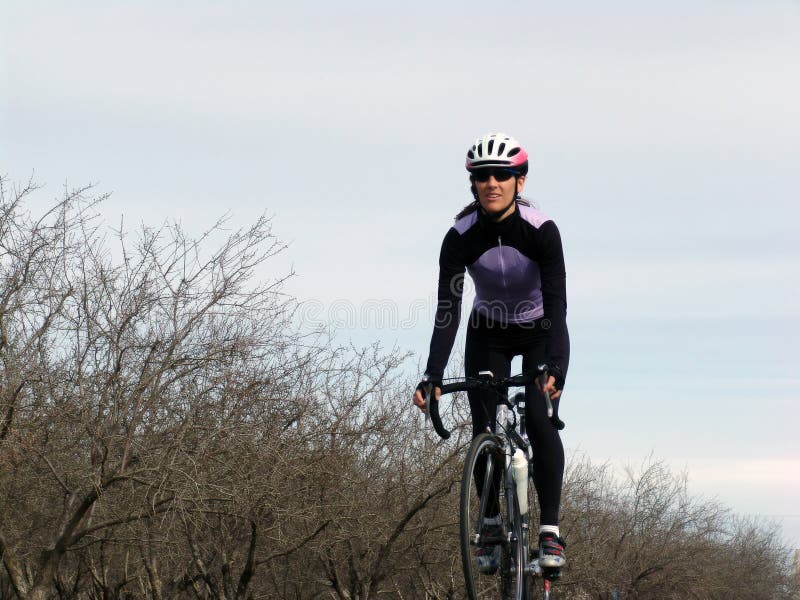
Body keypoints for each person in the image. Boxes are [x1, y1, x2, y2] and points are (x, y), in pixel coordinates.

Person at [412, 132, 569, 572]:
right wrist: (433, 374)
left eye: (502, 175)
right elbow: (448, 311)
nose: (492, 183)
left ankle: (550, 533)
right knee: (483, 427)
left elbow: (557, 304)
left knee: (538, 418)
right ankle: (492, 523)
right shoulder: (459, 237)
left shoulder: (541, 231)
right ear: (473, 185)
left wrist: (554, 366)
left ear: (519, 181)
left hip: (540, 328)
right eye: (482, 177)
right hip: (487, 331)